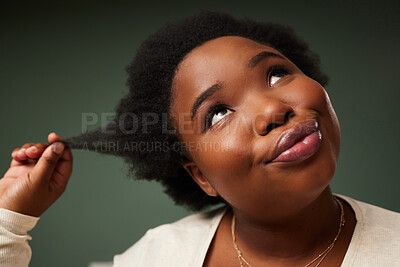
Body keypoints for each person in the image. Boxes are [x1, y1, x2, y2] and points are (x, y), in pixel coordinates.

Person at [1, 11, 399, 267]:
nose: (272, 109)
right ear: (200, 177)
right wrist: (9, 222)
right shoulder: (159, 256)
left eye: (276, 74)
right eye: (218, 113)